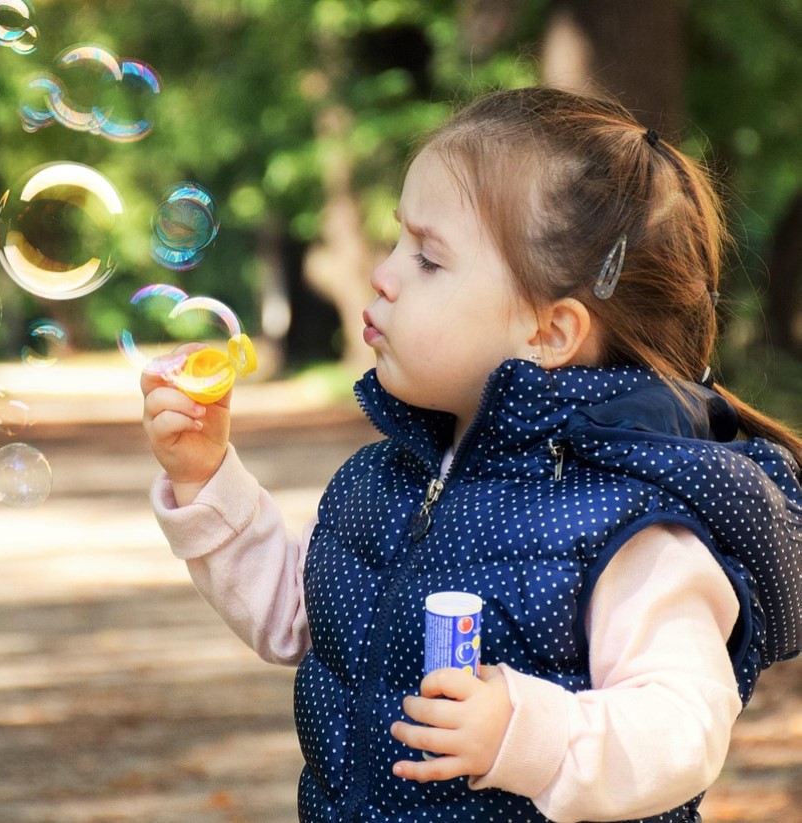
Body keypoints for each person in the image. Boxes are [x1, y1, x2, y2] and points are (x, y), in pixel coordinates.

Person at [139, 86, 802, 823]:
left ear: (549, 333)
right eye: (398, 241)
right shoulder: (385, 478)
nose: (383, 273)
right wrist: (206, 478)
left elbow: (682, 726)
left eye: (427, 258)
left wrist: (527, 732)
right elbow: (300, 615)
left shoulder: (628, 521)